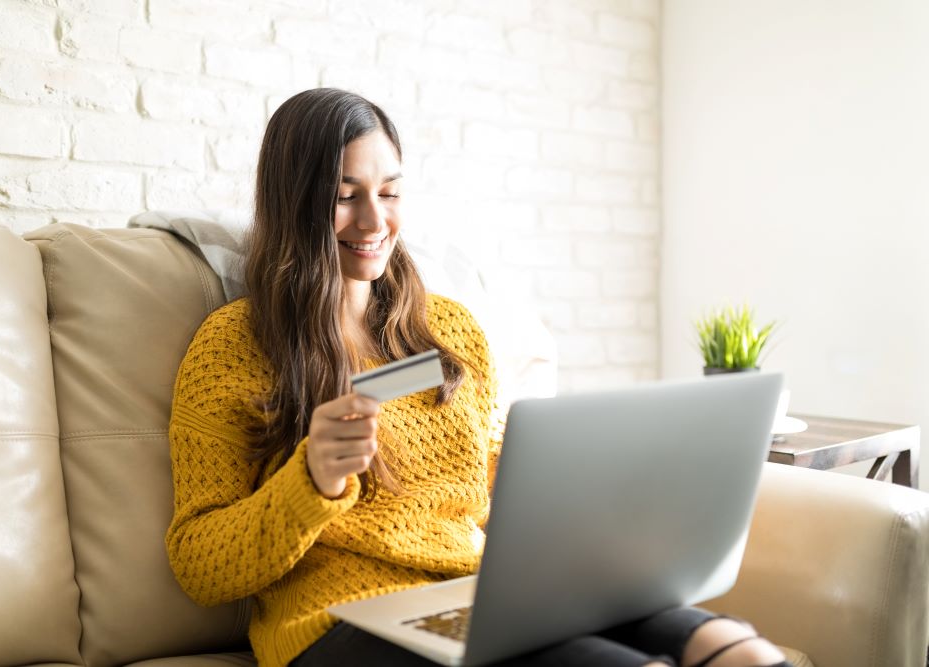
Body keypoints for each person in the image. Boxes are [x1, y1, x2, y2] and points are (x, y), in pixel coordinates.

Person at [165, 88, 792, 667]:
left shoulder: (450, 329)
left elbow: (492, 480)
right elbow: (198, 564)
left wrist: (599, 504)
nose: (374, 221)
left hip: (479, 593)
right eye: (343, 194)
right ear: (293, 201)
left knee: (731, 647)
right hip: (338, 622)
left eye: (389, 192)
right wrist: (311, 480)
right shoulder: (234, 346)